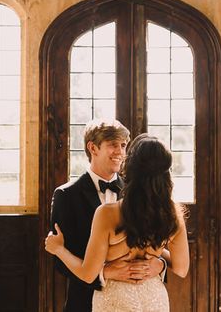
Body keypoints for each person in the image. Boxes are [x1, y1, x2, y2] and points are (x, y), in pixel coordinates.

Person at [46, 133, 190, 312]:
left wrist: (58, 249)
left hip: (115, 299)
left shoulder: (107, 214)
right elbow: (182, 268)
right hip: (154, 299)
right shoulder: (173, 214)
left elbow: (87, 273)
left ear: (129, 168)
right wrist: (157, 260)